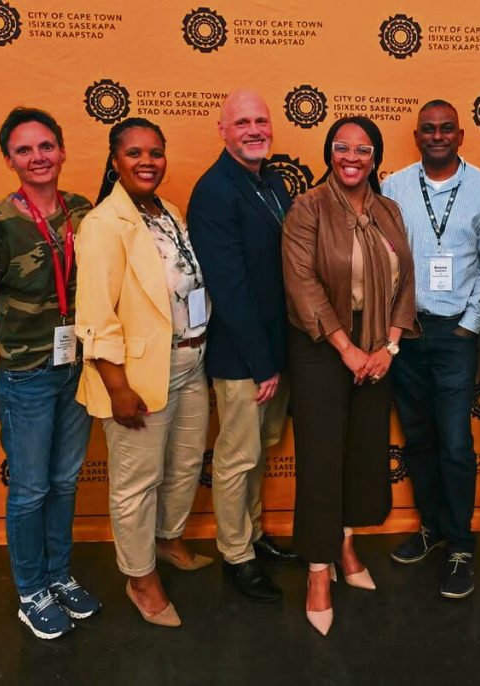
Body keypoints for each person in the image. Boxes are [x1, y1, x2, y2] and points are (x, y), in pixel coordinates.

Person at [0, 107, 101, 640]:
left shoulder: (82, 211)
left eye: (46, 146)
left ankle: (58, 575)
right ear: (9, 160)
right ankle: (30, 590)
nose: (38, 157)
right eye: (24, 150)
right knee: (29, 487)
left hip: (77, 367)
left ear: (62, 150)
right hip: (25, 372)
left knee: (65, 480)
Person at [283, 115, 418, 635]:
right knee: (320, 457)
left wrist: (389, 346)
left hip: (378, 347)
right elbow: (301, 282)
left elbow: (405, 280)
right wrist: (346, 348)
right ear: (329, 152)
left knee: (361, 451)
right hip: (322, 347)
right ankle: (318, 571)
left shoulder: (389, 209)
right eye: (342, 147)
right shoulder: (307, 207)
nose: (352, 157)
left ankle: (343, 543)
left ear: (375, 157)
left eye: (363, 149)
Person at [75, 118, 210, 628]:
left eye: (155, 152)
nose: (147, 161)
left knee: (182, 464)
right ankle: (139, 576)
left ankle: (169, 539)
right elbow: (94, 314)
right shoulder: (103, 224)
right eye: (134, 153)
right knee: (137, 481)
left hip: (191, 359)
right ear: (114, 161)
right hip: (136, 374)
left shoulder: (168, 211)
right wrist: (116, 386)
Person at [381, 99, 480, 599]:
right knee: (420, 439)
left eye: (446, 128)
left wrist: (470, 326)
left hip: (455, 335)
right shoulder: (394, 186)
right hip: (407, 334)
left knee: (454, 444)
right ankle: (431, 529)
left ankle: (461, 545)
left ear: (461, 135)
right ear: (417, 136)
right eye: (428, 129)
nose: (437, 135)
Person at [187, 90, 297, 603]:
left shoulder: (270, 181)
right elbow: (228, 288)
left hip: (275, 351)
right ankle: (236, 556)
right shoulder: (214, 191)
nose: (254, 130)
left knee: (258, 454)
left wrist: (277, 357)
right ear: (223, 130)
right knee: (236, 458)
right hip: (243, 357)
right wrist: (261, 363)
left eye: (261, 121)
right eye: (243, 123)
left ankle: (253, 534)